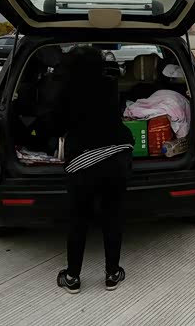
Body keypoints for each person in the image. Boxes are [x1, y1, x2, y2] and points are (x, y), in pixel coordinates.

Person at [56, 46, 134, 295]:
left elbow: (55, 124)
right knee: (112, 217)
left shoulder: (66, 90)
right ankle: (112, 274)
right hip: (117, 155)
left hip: (82, 161)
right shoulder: (109, 85)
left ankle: (72, 277)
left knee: (78, 219)